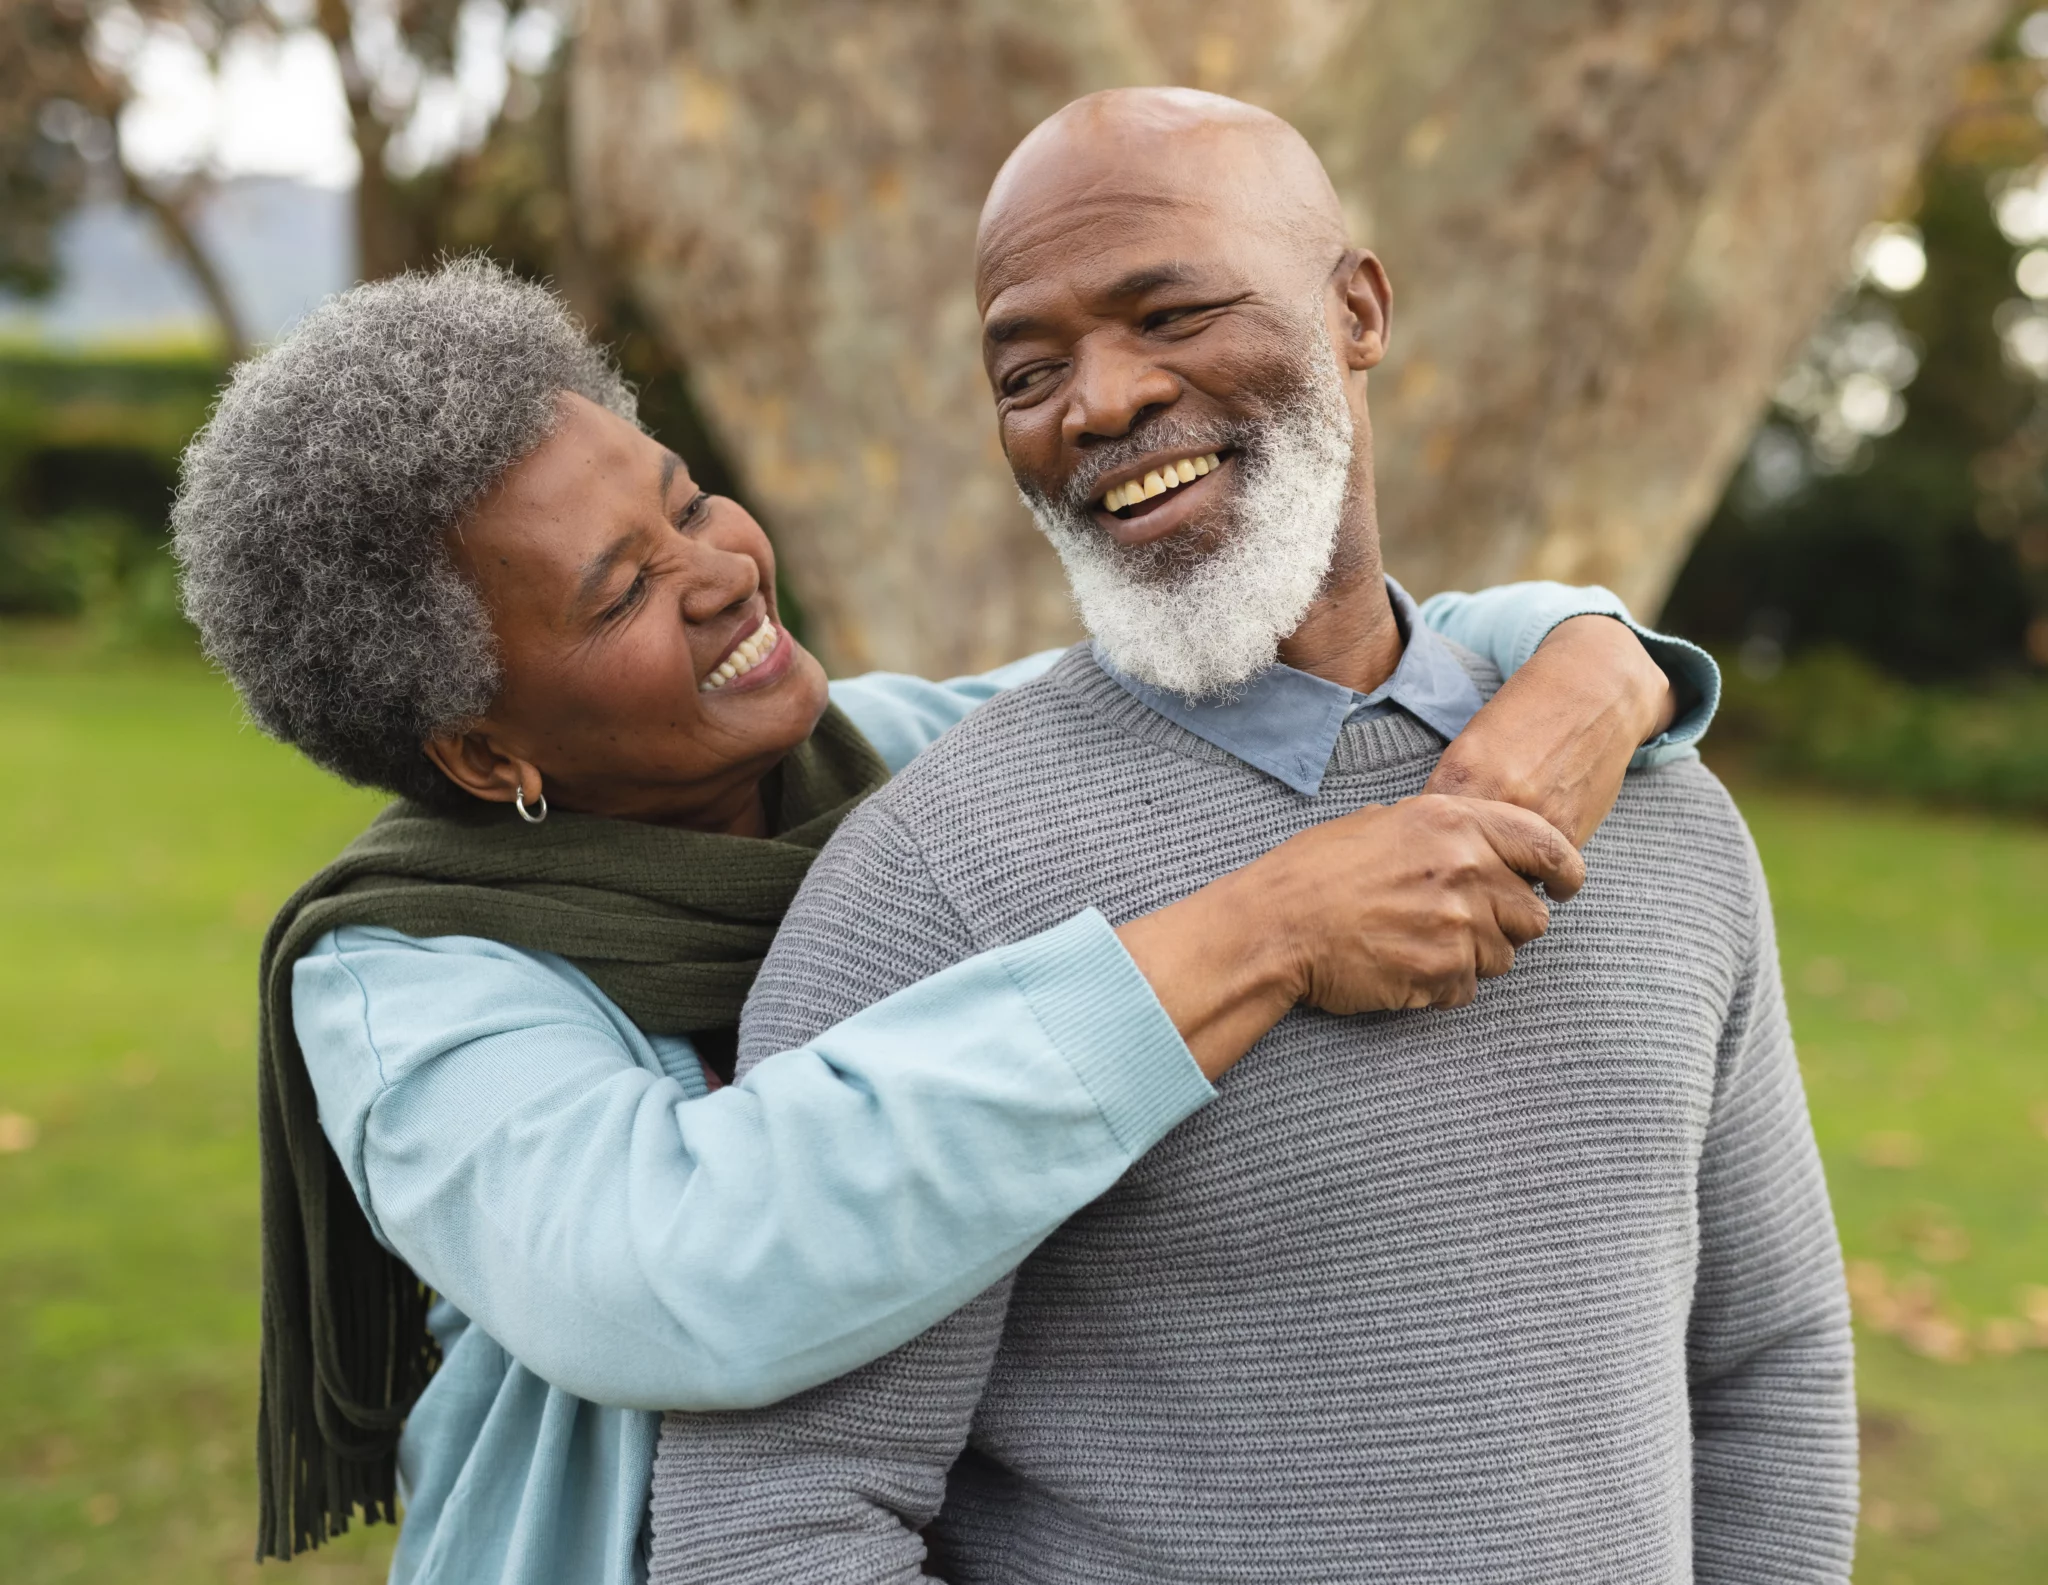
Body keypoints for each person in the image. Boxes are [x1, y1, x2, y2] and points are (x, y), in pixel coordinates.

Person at [171, 261, 1717, 1585]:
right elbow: (683, 1268)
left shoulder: (914, 766)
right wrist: (1263, 933)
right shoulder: (416, 991)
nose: (718, 571)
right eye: (621, 593)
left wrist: (1594, 652)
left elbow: (1317, 653)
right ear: (484, 754)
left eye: (688, 499)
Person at [645, 89, 1857, 1585]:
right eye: (1028, 369)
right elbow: (776, 1517)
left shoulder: (1659, 806)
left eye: (1170, 312)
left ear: (1358, 308)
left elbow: (1768, 1366)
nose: (1098, 401)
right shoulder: (927, 887)